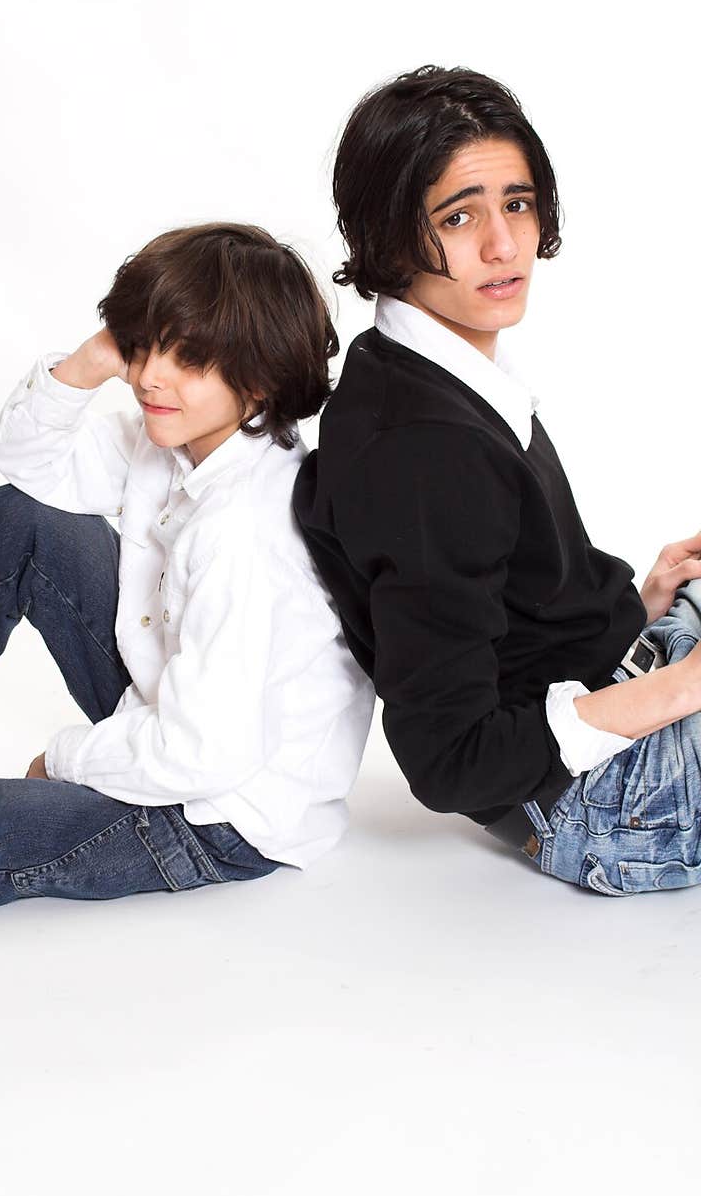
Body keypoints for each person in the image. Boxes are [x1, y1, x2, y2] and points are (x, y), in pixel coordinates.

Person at [0, 222, 374, 933]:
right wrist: (87, 363)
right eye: (146, 343)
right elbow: (29, 467)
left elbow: (205, 755)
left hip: (218, 815)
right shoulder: (177, 441)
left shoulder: (245, 531)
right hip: (177, 716)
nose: (151, 376)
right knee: (23, 519)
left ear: (262, 376)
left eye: (191, 357)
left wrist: (64, 759)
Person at [293, 66, 701, 896]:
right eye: (458, 215)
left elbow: (506, 613)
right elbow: (452, 761)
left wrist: (639, 602)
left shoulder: (426, 368)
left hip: (610, 688)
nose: (503, 245)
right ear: (390, 234)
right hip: (604, 804)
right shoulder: (424, 449)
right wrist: (685, 688)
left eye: (516, 203)